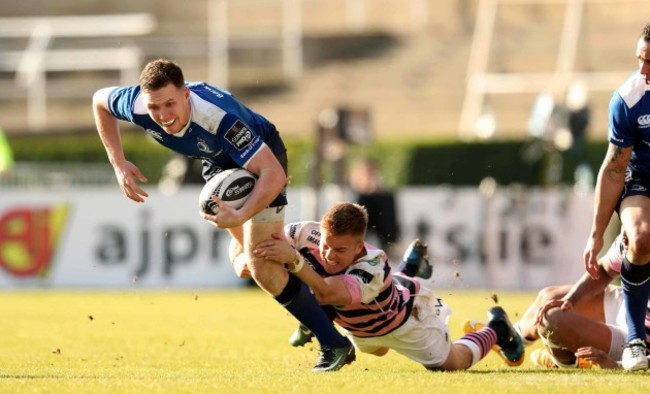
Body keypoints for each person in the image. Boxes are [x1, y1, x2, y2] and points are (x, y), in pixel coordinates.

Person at [91, 58, 354, 372]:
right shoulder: (137, 104)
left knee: (260, 264)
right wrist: (118, 162)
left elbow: (272, 173)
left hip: (263, 156)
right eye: (154, 107)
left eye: (170, 104)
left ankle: (333, 342)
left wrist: (241, 214)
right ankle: (314, 309)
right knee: (245, 264)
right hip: (218, 164)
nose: (162, 116)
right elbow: (99, 101)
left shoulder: (218, 120)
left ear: (186, 95)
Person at [251, 202, 525, 371]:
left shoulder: (373, 264)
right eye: (325, 243)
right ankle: (408, 269)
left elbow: (326, 293)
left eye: (340, 249)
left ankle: (496, 328)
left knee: (454, 363)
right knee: (378, 351)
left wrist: (294, 261)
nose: (329, 254)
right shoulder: (303, 233)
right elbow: (264, 246)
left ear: (359, 246)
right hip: (363, 332)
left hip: (405, 324)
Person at [583, 23, 650, 371]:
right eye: (640, 59)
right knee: (640, 236)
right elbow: (613, 170)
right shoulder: (628, 98)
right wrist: (596, 233)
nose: (643, 70)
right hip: (641, 183)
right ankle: (636, 341)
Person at [488, 231, 650, 370]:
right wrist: (569, 300)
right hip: (627, 301)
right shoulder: (638, 226)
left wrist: (619, 365)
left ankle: (571, 362)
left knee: (551, 321)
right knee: (549, 297)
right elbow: (605, 271)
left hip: (638, 342)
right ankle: (513, 341)